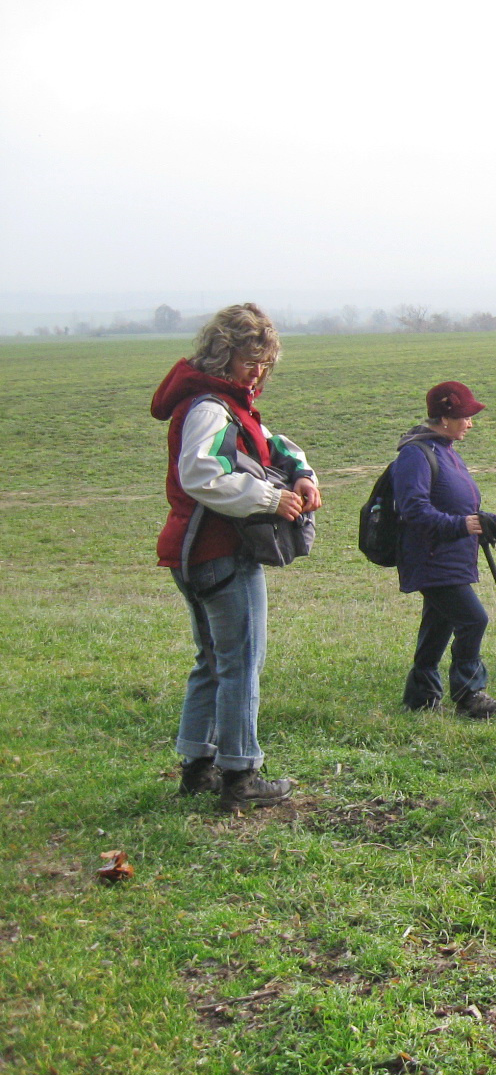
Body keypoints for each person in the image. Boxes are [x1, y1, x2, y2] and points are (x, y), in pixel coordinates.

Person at [151, 303, 320, 811]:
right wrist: (270, 499)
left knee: (213, 660)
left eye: (265, 361)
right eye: (251, 360)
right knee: (242, 661)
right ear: (224, 355)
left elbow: (274, 445)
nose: (260, 371)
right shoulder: (210, 407)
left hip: (193, 553)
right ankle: (241, 774)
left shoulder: (225, 404)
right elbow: (201, 475)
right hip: (218, 553)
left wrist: (303, 473)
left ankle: (198, 764)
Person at [393, 381, 496, 718]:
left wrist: (487, 521)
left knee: (438, 625)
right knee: (474, 619)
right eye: (465, 416)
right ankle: (470, 694)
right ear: (444, 417)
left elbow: (456, 502)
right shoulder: (415, 454)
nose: (470, 423)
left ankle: (420, 695)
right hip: (433, 558)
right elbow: (413, 510)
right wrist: (462, 526)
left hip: (452, 557)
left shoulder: (445, 450)